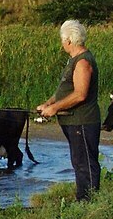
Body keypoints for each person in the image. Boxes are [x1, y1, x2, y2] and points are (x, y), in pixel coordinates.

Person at [38, 19, 101, 201]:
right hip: (73, 122)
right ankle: (83, 200)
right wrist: (48, 104)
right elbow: (64, 90)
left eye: (62, 39)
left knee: (85, 164)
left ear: (69, 41)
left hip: (82, 121)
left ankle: (89, 204)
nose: (62, 43)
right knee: (78, 162)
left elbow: (80, 94)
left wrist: (55, 108)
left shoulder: (83, 62)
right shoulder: (74, 60)